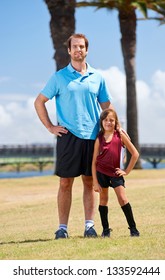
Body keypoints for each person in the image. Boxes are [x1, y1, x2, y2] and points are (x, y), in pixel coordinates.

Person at [34, 33, 114, 239]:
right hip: (68, 137)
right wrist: (51, 127)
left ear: (87, 50)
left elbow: (106, 106)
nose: (78, 50)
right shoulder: (59, 77)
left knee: (89, 182)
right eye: (75, 47)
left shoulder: (97, 77)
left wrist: (114, 130)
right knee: (65, 183)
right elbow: (39, 101)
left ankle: (89, 227)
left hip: (92, 136)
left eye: (82, 46)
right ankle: (62, 228)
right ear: (69, 51)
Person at [92, 108, 140, 237]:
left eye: (111, 120)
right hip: (101, 173)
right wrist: (95, 182)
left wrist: (126, 171)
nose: (108, 122)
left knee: (123, 198)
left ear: (116, 122)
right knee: (103, 199)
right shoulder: (99, 138)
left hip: (116, 173)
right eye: (106, 120)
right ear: (102, 122)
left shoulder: (120, 136)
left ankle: (133, 229)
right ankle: (106, 230)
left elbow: (135, 154)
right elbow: (93, 162)